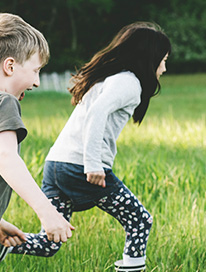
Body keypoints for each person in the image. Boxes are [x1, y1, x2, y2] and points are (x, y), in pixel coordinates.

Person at [9, 22, 171, 272]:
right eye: (163, 60)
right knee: (140, 221)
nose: (164, 68)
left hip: (57, 164)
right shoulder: (129, 82)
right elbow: (97, 113)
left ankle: (4, 245)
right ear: (150, 58)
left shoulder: (110, 79)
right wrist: (94, 163)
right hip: (80, 166)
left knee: (47, 243)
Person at [0, 12, 75, 262]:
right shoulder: (5, 102)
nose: (37, 82)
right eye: (35, 70)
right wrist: (48, 213)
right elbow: (5, 156)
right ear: (10, 66)